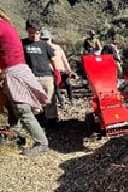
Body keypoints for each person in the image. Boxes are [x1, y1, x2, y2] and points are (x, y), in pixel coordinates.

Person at [0, 9, 49, 156]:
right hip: (14, 69)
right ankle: (15, 133)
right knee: (11, 103)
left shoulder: (1, 25)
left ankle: (41, 143)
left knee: (22, 108)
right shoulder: (5, 25)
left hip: (14, 70)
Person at [22, 19, 60, 127]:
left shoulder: (44, 45)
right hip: (30, 76)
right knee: (33, 100)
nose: (34, 35)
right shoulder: (22, 44)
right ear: (27, 30)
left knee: (50, 99)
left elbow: (53, 58)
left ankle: (52, 120)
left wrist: (56, 72)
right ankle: (38, 121)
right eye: (31, 33)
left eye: (37, 33)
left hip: (46, 76)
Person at [40, 30, 76, 108]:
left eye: (47, 39)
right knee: (56, 87)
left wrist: (68, 69)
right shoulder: (41, 50)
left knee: (68, 84)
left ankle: (71, 99)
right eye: (43, 40)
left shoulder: (57, 47)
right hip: (51, 71)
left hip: (62, 69)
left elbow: (63, 58)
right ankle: (61, 102)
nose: (46, 41)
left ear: (50, 39)